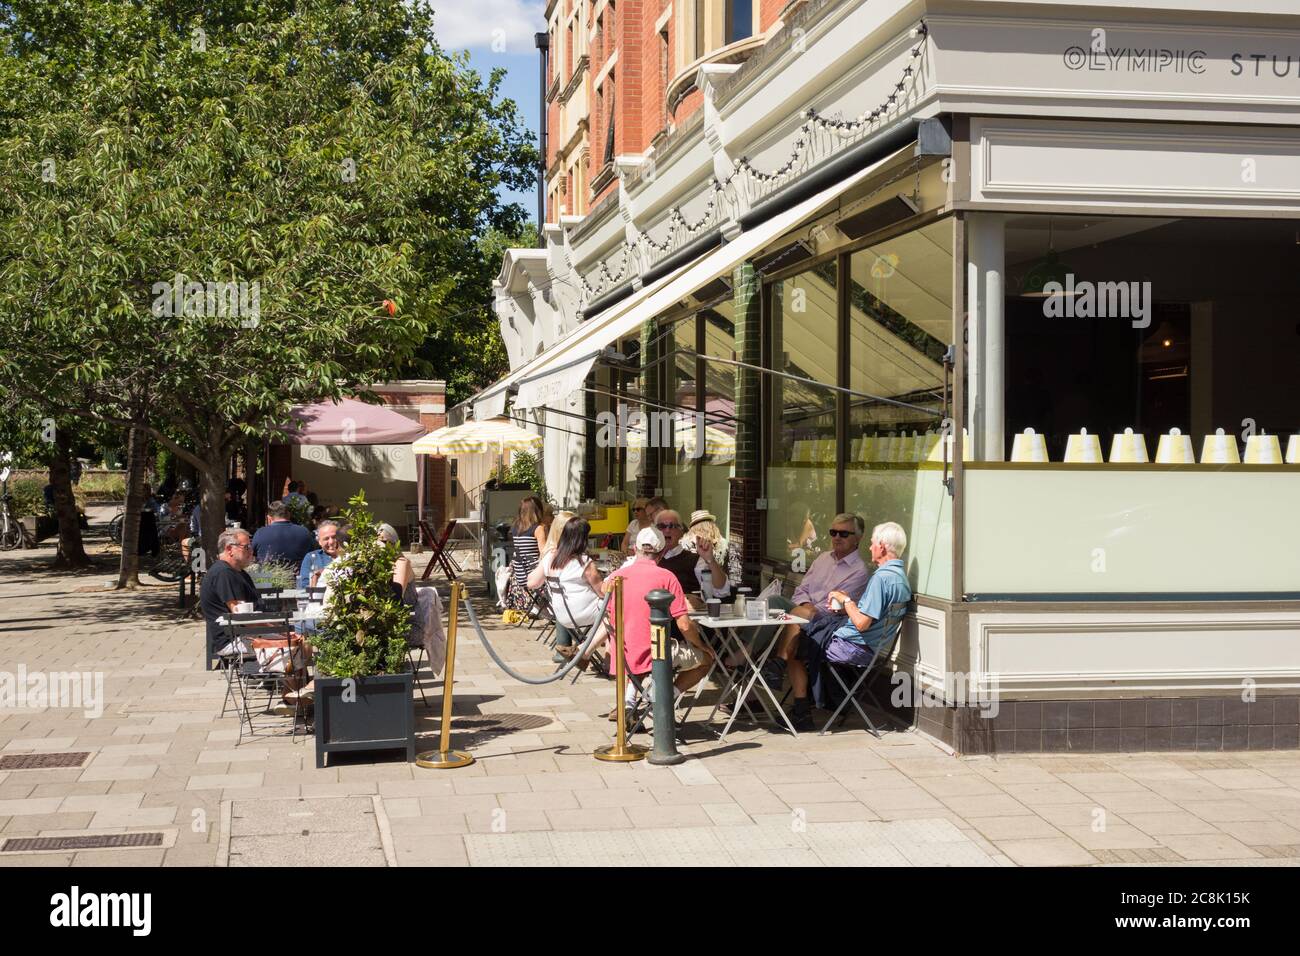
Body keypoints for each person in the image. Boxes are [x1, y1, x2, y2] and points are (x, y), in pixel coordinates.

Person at [779, 521, 912, 731]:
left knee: (795, 644)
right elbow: (872, 613)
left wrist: (846, 600)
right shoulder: (899, 578)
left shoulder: (881, 578)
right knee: (803, 628)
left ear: (883, 547)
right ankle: (801, 702)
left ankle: (801, 711)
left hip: (855, 647)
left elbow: (861, 623)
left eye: (872, 544)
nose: (869, 548)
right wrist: (848, 605)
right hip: (872, 646)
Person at [600, 526, 717, 723]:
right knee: (706, 659)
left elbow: (606, 608)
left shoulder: (615, 577)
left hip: (623, 652)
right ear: (662, 552)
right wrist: (702, 646)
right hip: (655, 652)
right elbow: (685, 625)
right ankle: (662, 699)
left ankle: (629, 702)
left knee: (634, 654)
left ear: (635, 549)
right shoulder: (667, 577)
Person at [771, 512, 870, 673]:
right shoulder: (823, 558)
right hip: (804, 610)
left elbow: (835, 606)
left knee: (797, 616)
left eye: (844, 534)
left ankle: (777, 664)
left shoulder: (859, 571)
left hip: (828, 621)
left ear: (858, 538)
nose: (837, 537)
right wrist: (806, 605)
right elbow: (801, 590)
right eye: (833, 532)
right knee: (772, 601)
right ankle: (743, 653)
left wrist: (807, 610)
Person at [537, 518, 607, 664]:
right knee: (617, 612)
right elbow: (602, 592)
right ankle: (589, 653)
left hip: (561, 616)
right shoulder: (583, 562)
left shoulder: (551, 558)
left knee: (612, 612)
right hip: (583, 614)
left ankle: (592, 653)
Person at [199, 527, 259, 655]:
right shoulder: (224, 573)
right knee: (293, 646)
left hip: (244, 635)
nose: (251, 551)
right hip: (234, 640)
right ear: (229, 549)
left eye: (250, 546)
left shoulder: (238, 572)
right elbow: (242, 615)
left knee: (299, 643)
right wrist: (278, 630)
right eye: (246, 547)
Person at [651, 509, 726, 601]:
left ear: (681, 531)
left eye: (672, 526)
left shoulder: (695, 560)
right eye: (661, 526)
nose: (667, 530)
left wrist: (710, 560)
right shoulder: (647, 558)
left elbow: (721, 590)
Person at [503, 494, 547, 613]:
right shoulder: (538, 529)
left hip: (519, 574)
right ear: (538, 511)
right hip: (532, 575)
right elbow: (544, 553)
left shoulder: (515, 527)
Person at [681, 509, 739, 599]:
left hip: (696, 591)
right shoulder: (723, 543)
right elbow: (732, 569)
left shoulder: (686, 542)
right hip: (721, 588)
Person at [251, 500, 316, 568]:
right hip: (296, 576)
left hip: (266, 577)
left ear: (269, 518)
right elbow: (313, 554)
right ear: (289, 515)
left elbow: (251, 555)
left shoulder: (260, 533)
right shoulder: (304, 532)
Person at [297, 520, 341, 589]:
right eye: (326, 538)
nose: (331, 542)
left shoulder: (350, 556)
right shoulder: (311, 558)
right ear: (319, 542)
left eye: (334, 537)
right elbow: (304, 585)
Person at [377, 523, 414, 602]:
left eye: (385, 542)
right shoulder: (375, 565)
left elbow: (397, 597)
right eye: (378, 542)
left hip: (407, 610)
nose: (381, 546)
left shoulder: (401, 563)